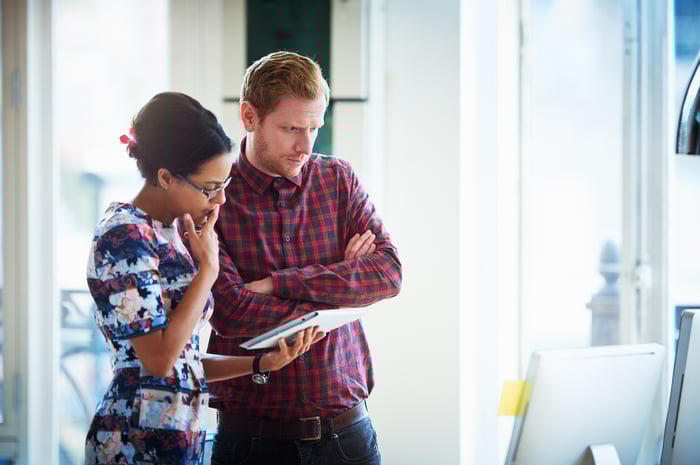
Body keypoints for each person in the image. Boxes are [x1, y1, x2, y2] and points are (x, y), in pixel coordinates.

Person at [84, 92, 324, 465]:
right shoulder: (124, 236)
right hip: (135, 441)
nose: (220, 201)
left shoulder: (170, 231)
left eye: (224, 186)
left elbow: (184, 359)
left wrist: (261, 363)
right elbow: (159, 360)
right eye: (210, 188)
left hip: (182, 436)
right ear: (166, 177)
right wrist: (207, 270)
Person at [207, 52, 402, 465]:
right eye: (291, 128)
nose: (306, 145)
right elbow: (230, 311)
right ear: (249, 116)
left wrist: (280, 283)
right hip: (251, 441)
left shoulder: (338, 179)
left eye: (315, 127)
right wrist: (344, 288)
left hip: (348, 437)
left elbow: (387, 273)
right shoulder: (215, 194)